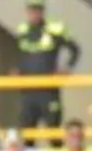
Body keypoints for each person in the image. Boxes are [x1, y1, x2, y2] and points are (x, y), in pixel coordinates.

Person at [14, 1, 81, 132]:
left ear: (43, 11)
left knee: (53, 133)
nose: (34, 13)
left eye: (38, 10)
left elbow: (75, 49)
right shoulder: (22, 30)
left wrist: (66, 68)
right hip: (28, 92)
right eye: (32, 10)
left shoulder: (54, 30)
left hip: (49, 91)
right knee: (27, 134)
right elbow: (19, 54)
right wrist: (17, 69)